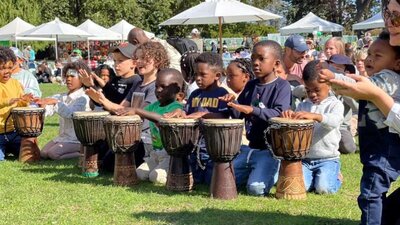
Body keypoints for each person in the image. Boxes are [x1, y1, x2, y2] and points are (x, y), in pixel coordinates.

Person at [324, 24, 400, 224]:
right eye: (369, 54)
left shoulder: (388, 78)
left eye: (378, 56)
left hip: (384, 148)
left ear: (397, 63)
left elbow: (359, 86)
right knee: (373, 192)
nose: (369, 59)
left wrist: (334, 76)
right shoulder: (379, 78)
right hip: (377, 148)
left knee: (370, 193)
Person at [220, 40, 292, 196]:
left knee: (255, 189)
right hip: (250, 148)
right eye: (253, 58)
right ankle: (256, 170)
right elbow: (240, 115)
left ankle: (275, 168)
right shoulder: (251, 85)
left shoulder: (282, 86)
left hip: (270, 150)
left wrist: (252, 109)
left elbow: (279, 114)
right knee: (225, 180)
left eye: (261, 58)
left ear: (276, 63)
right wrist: (232, 104)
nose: (255, 63)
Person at [86, 41, 169, 171]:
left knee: (109, 165)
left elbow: (138, 114)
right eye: (138, 58)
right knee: (104, 159)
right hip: (130, 134)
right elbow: (122, 108)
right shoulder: (138, 84)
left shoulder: (156, 87)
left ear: (157, 61)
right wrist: (102, 101)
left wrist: (104, 102)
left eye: (144, 59)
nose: (139, 62)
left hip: (146, 140)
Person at [164, 52, 230, 184]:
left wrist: (204, 115)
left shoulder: (222, 94)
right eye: (196, 74)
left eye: (203, 75)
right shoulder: (195, 94)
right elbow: (188, 113)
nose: (198, 78)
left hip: (212, 145)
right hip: (193, 144)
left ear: (217, 76)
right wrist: (180, 112)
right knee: (196, 178)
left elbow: (224, 115)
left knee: (209, 179)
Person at [282, 60, 344, 194]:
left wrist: (316, 116)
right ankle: (319, 177)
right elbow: (296, 127)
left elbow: (334, 121)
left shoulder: (335, 105)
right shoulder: (303, 105)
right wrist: (291, 116)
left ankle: (337, 177)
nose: (312, 94)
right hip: (306, 160)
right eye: (308, 90)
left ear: (329, 85)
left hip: (327, 158)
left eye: (317, 90)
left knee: (324, 189)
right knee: (300, 188)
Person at [118, 68, 185, 184]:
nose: (158, 90)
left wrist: (137, 110)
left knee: (156, 178)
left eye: (163, 87)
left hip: (169, 154)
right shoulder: (154, 105)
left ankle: (169, 171)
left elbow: (160, 119)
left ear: (177, 91)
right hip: (155, 153)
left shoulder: (176, 107)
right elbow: (142, 114)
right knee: (139, 174)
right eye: (156, 86)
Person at [38, 61, 92, 160]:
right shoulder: (62, 96)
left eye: (72, 76)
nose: (68, 79)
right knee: (44, 153)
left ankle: (83, 152)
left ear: (82, 79)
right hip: (64, 137)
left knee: (53, 154)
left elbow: (71, 114)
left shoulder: (84, 97)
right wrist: (42, 105)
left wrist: (55, 103)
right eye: (67, 76)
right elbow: (49, 108)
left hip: (76, 139)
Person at [0, 46, 34, 161]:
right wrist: (7, 101)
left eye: (10, 67)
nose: (7, 71)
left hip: (14, 133)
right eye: (2, 68)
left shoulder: (16, 83)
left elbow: (19, 106)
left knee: (30, 153)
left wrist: (24, 101)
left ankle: (8, 148)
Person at [325, 54, 358, 155]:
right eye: (332, 67)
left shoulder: (350, 85)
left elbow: (356, 107)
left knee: (349, 148)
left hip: (341, 127)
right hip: (323, 124)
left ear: (346, 72)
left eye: (338, 68)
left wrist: (343, 91)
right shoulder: (321, 84)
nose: (334, 71)